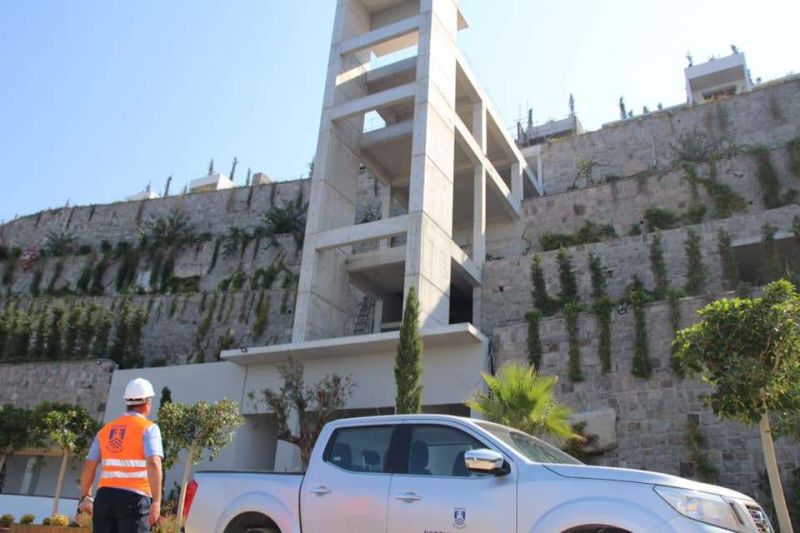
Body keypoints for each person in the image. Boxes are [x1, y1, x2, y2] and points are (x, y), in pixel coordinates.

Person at [78, 378, 163, 531]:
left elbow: (88, 465)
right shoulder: (149, 429)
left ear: (127, 401)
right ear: (147, 402)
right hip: (135, 500)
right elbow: (153, 462)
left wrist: (86, 496)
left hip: (104, 498)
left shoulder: (105, 430)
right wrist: (156, 501)